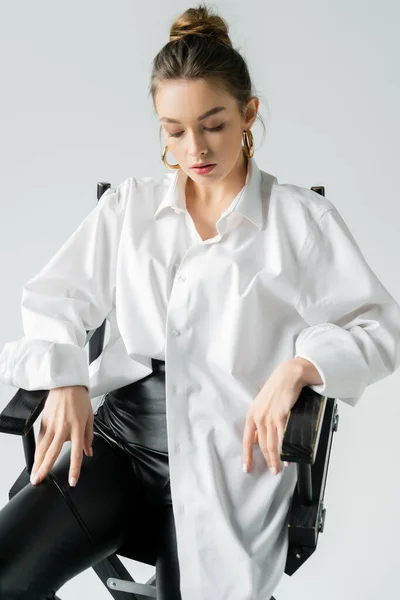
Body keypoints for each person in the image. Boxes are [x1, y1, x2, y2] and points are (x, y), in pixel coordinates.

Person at [0, 3, 400, 599]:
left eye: (213, 124)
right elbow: (56, 298)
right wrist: (65, 379)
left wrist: (300, 366)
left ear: (248, 114)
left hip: (229, 463)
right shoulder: (130, 207)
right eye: (174, 130)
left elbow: (377, 328)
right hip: (119, 447)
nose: (195, 148)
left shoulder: (298, 221)